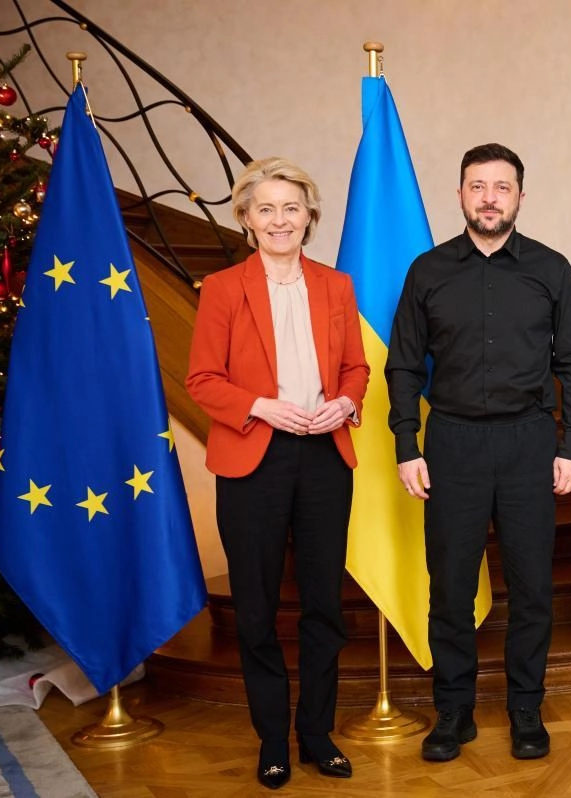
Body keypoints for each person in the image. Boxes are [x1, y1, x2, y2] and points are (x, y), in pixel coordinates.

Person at [386, 143, 571, 763]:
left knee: (532, 587)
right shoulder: (427, 271)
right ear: (460, 195)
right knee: (449, 587)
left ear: (520, 197)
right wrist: (406, 443)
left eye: (502, 187)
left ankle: (526, 708)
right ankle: (453, 713)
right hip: (450, 442)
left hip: (530, 442)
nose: (489, 198)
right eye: (477, 186)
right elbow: (401, 366)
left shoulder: (551, 269)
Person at [186, 157, 369, 790]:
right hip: (252, 456)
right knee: (258, 610)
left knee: (324, 606)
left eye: (292, 207)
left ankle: (317, 733)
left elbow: (356, 370)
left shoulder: (336, 286)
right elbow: (202, 381)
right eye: (266, 208)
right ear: (246, 219)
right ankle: (272, 740)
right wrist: (260, 405)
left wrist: (346, 402)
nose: (280, 219)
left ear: (309, 217)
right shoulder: (221, 289)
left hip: (324, 457)